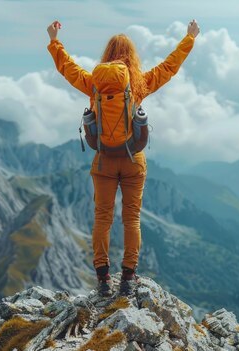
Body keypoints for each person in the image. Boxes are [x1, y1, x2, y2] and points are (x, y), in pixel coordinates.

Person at [47, 19, 199, 296]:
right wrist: (188, 38)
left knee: (102, 218)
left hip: (104, 160)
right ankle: (128, 277)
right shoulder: (138, 85)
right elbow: (169, 67)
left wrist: (55, 41)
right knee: (132, 219)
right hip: (133, 160)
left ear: (107, 56)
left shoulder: (94, 84)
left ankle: (103, 278)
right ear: (131, 56)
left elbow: (67, 69)